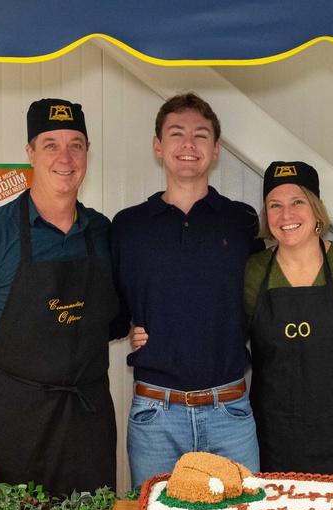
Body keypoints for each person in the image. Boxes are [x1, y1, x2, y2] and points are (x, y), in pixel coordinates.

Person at [0, 98, 119, 496]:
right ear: (30, 153)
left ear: (87, 152)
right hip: (16, 426)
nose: (65, 156)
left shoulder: (104, 233)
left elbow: (117, 315)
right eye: (51, 144)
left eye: (76, 143)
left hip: (88, 424)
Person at [111, 92, 265, 487]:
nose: (188, 145)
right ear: (158, 146)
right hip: (155, 415)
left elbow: (266, 296)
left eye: (200, 135)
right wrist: (129, 323)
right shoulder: (128, 227)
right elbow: (110, 304)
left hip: (230, 411)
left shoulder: (242, 222)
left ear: (215, 150)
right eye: (176, 133)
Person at [244, 161, 333, 476]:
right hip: (273, 438)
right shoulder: (253, 272)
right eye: (274, 205)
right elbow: (223, 339)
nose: (286, 215)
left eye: (297, 202)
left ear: (316, 208)